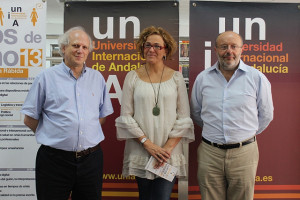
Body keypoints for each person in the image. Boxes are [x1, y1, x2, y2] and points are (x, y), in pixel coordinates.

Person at [21, 26, 113, 200]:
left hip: (90, 160)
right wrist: (55, 136)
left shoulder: (97, 78)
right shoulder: (46, 78)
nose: (80, 50)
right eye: (75, 45)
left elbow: (101, 116)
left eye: (85, 47)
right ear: (63, 48)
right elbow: (29, 119)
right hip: (54, 161)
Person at [190, 31, 274, 200]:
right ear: (216, 50)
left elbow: (266, 114)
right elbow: (196, 112)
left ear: (242, 49)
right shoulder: (203, 78)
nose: (229, 51)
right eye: (224, 47)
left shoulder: (256, 78)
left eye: (234, 46)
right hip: (210, 152)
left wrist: (244, 135)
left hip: (244, 153)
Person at [115, 26, 194, 200]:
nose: (151, 49)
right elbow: (126, 117)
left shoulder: (176, 78)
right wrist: (148, 145)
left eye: (157, 46)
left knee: (162, 197)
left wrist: (165, 150)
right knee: (145, 196)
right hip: (141, 150)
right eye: (147, 45)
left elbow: (184, 118)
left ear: (166, 50)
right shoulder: (132, 76)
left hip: (168, 154)